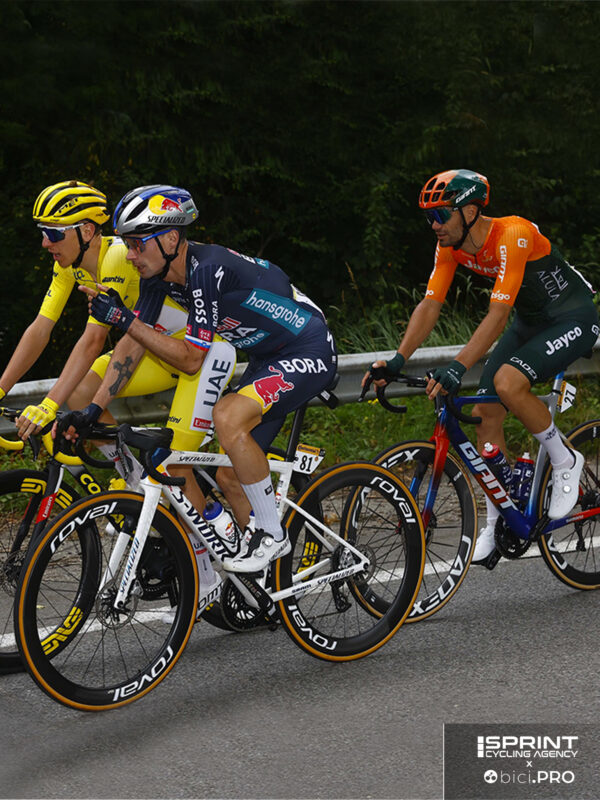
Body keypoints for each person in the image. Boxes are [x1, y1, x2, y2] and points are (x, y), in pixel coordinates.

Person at [69, 183, 337, 576]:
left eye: (137, 244)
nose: (129, 255)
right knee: (230, 475)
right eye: (127, 244)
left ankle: (272, 533)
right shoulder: (159, 278)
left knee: (227, 416)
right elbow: (133, 345)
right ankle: (265, 582)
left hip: (308, 347)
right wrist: (95, 409)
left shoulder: (207, 270)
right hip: (267, 357)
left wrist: (124, 319)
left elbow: (192, 360)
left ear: (170, 239)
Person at [364, 169, 599, 562]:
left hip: (571, 317)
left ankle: (565, 459)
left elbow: (498, 314)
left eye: (441, 215)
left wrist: (458, 366)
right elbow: (431, 304)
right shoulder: (450, 246)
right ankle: (497, 520)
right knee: (485, 413)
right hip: (531, 323)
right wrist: (397, 359)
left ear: (470, 211)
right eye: (429, 217)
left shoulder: (513, 234)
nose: (434, 225)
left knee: (507, 383)